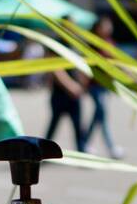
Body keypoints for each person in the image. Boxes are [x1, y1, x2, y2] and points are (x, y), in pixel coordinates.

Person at [83, 16, 122, 158]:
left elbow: (117, 63)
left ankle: (85, 142)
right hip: (95, 86)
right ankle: (111, 147)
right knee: (102, 114)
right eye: (104, 25)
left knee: (98, 115)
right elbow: (87, 66)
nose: (108, 28)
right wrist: (83, 84)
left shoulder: (110, 43)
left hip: (107, 86)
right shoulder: (93, 44)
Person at [46, 66, 87, 151]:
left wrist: (82, 85)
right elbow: (55, 69)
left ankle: (82, 152)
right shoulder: (57, 54)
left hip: (73, 96)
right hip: (60, 95)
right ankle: (44, 150)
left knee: (78, 128)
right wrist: (72, 87)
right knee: (53, 126)